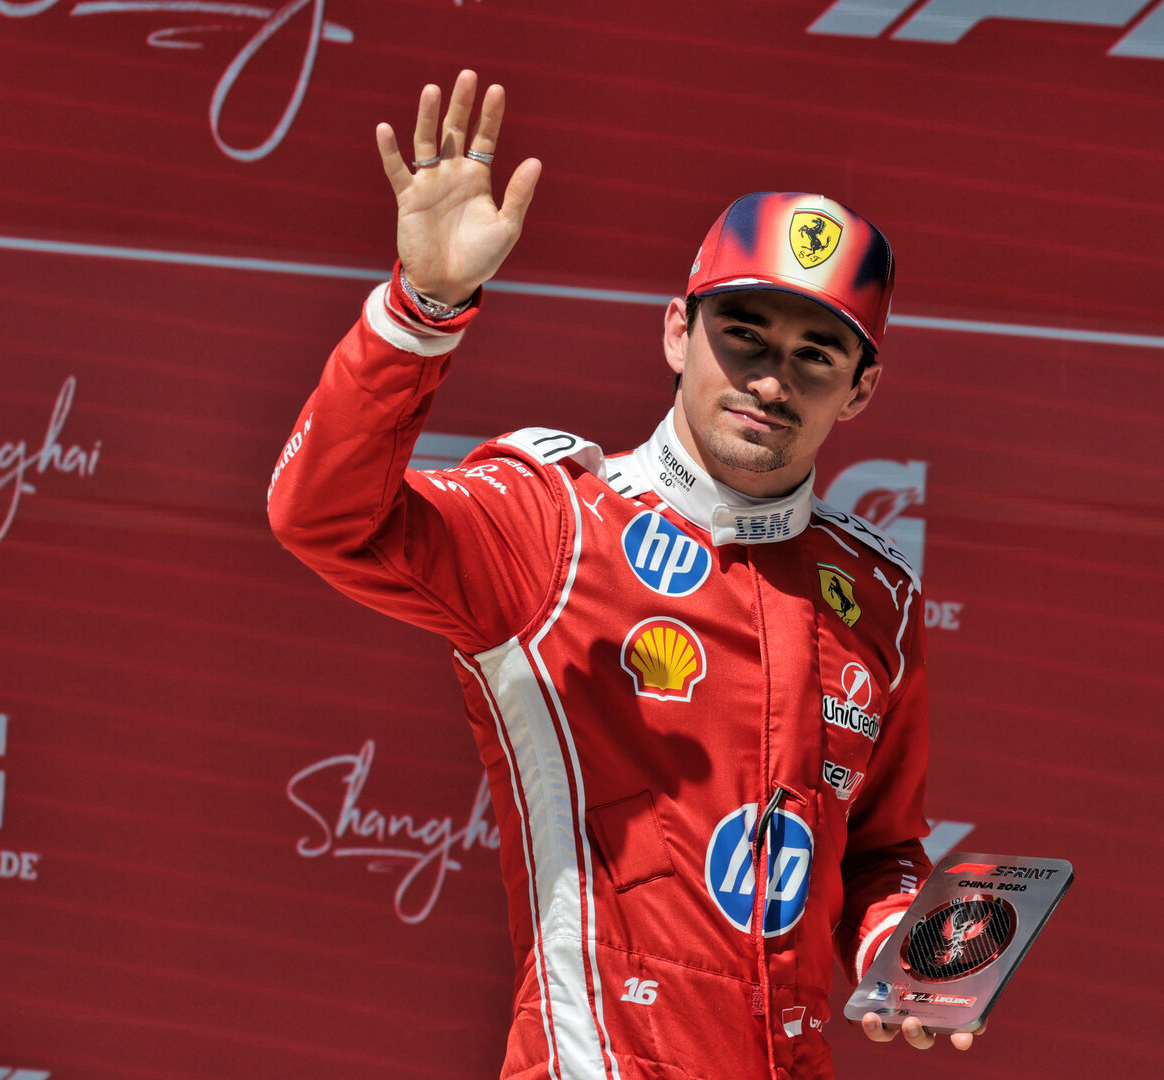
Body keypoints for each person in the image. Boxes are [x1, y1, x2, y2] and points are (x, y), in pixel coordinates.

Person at [268, 69, 979, 1080]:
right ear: (675, 332)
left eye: (816, 353)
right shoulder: (553, 521)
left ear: (860, 389)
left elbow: (878, 854)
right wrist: (421, 307)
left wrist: (905, 953)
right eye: (743, 333)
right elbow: (323, 518)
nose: (772, 378)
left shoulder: (874, 596)